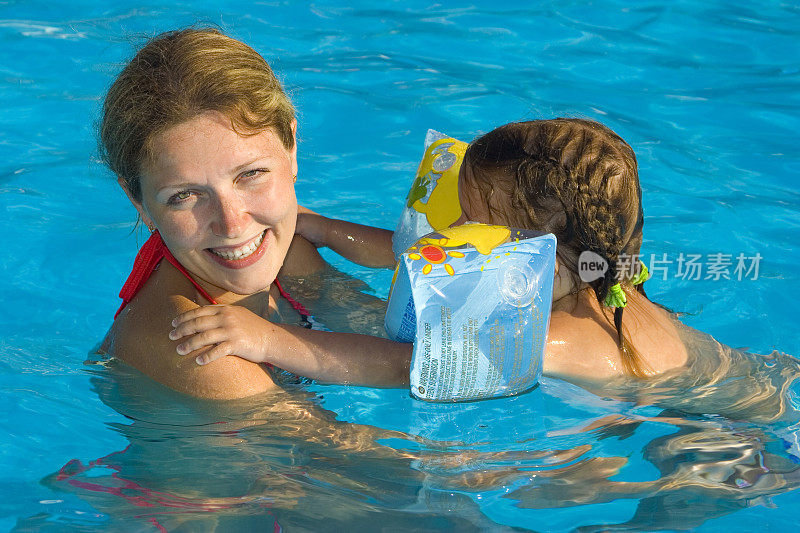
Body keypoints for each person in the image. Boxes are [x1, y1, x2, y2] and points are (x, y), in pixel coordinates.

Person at [172, 118, 689, 385]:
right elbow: (417, 254)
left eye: (471, 220)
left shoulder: (549, 339)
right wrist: (323, 228)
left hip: (678, 426)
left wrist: (269, 340)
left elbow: (406, 368)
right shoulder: (608, 282)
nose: (454, 230)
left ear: (543, 253)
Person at [99, 27, 413, 399]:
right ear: (138, 202)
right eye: (184, 195)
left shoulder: (283, 250)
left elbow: (405, 343)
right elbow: (337, 455)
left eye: (250, 175)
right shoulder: (199, 349)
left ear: (292, 147)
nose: (233, 225)